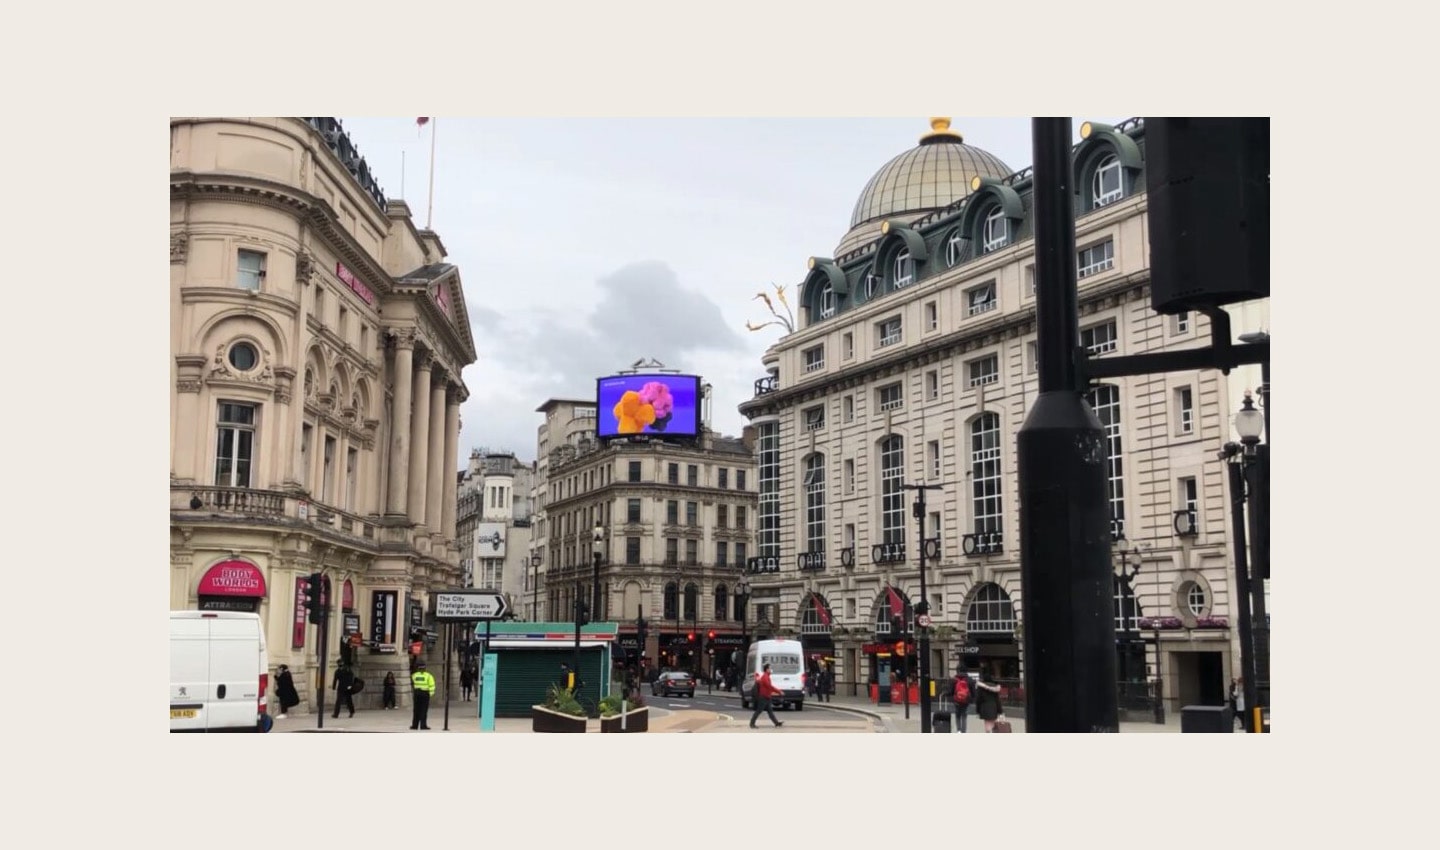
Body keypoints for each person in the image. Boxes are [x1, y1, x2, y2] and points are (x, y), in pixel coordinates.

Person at [748, 663, 784, 729]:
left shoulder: (767, 676)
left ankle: (776, 723)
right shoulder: (765, 677)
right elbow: (770, 687)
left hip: (767, 697)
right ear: (767, 669)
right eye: (770, 668)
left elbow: (769, 688)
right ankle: (752, 723)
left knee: (770, 711)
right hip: (763, 697)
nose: (771, 669)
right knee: (759, 711)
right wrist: (779, 691)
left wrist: (775, 692)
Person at [410, 660, 436, 730]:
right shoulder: (428, 676)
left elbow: (412, 683)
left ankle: (414, 725)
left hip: (417, 693)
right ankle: (423, 725)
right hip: (425, 694)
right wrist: (430, 694)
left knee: (416, 710)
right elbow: (432, 685)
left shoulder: (414, 675)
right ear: (425, 668)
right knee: (423, 710)